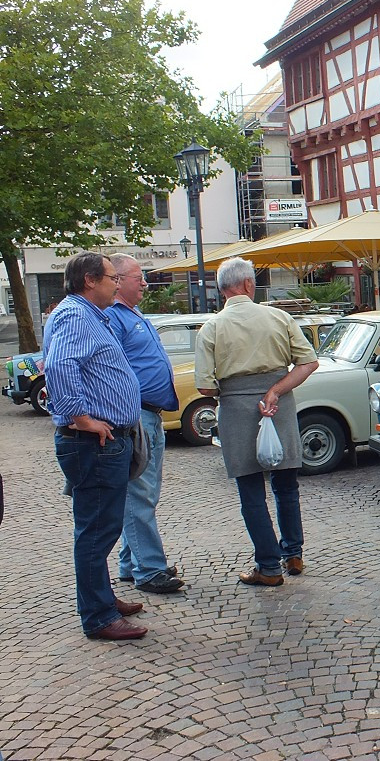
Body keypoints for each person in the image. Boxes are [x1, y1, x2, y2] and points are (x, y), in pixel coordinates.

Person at [195, 257, 319, 587]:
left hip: (236, 410)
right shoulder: (279, 317)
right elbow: (308, 363)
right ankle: (293, 553)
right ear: (249, 285)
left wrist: (233, 390)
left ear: (222, 289)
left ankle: (267, 566)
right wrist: (276, 389)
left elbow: (205, 386)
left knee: (251, 492)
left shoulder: (212, 328)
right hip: (279, 406)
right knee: (286, 485)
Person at [43, 252, 148, 640]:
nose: (116, 283)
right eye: (110, 277)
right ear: (90, 280)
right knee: (96, 531)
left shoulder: (86, 315)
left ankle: (102, 598)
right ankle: (99, 616)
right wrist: (81, 418)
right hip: (94, 443)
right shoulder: (75, 315)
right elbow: (58, 366)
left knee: (101, 527)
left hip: (102, 442)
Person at [104, 254, 184, 595]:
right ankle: (150, 570)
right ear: (118, 280)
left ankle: (130, 564)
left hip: (150, 414)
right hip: (136, 415)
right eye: (140, 278)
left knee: (142, 491)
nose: (146, 284)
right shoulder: (113, 317)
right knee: (139, 494)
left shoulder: (133, 315)